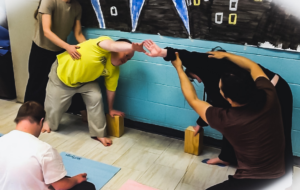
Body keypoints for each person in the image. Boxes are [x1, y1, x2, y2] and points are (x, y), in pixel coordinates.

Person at [143, 40, 293, 187]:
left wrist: (174, 63)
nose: (199, 81)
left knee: (282, 138)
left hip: (252, 181)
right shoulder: (268, 95)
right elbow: (252, 66)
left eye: (220, 88)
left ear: (227, 98)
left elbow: (194, 99)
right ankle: (228, 158)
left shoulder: (228, 119)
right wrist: (228, 56)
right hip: (272, 175)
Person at [43, 36, 146, 146]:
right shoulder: (103, 44)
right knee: (55, 107)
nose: (125, 61)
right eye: (126, 56)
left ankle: (99, 134)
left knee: (96, 97)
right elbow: (112, 45)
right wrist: (132, 46)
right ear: (118, 49)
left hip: (86, 81)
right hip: (63, 76)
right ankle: (48, 122)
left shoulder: (114, 70)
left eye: (128, 59)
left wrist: (110, 109)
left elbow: (111, 90)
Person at [0, 101, 96, 190]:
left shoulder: (2, 141)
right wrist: (76, 179)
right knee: (87, 186)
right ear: (41, 121)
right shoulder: (45, 150)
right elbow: (60, 186)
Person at [24, 0, 87, 119]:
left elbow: (78, 34)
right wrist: (68, 47)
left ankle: (83, 113)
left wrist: (91, 48)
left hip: (60, 50)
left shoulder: (77, 7)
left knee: (68, 81)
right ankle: (29, 118)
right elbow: (47, 31)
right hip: (41, 49)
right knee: (37, 85)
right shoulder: (49, 1)